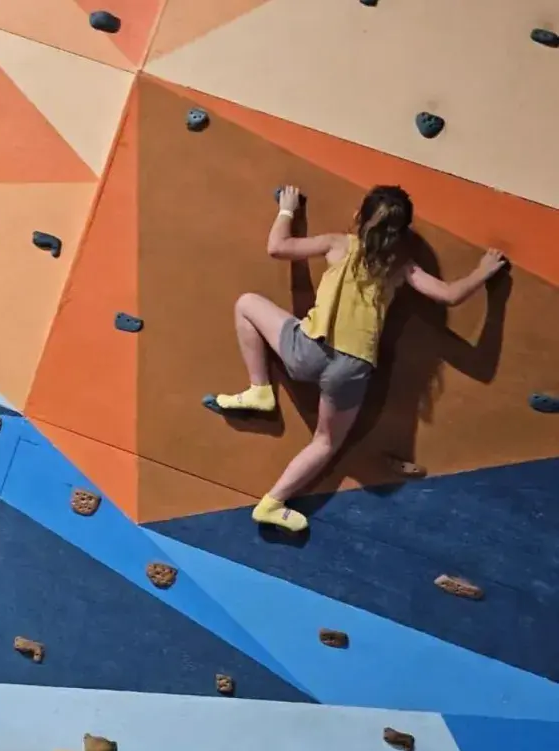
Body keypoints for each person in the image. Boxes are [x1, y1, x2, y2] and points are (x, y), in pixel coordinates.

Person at [212, 185, 506, 533]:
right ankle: (273, 502)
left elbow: (277, 247)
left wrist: (287, 210)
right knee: (326, 442)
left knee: (247, 303)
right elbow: (449, 295)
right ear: (402, 233)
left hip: (308, 348)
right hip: (350, 367)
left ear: (358, 217)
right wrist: (483, 272)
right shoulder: (401, 268)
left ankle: (260, 388)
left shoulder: (339, 244)